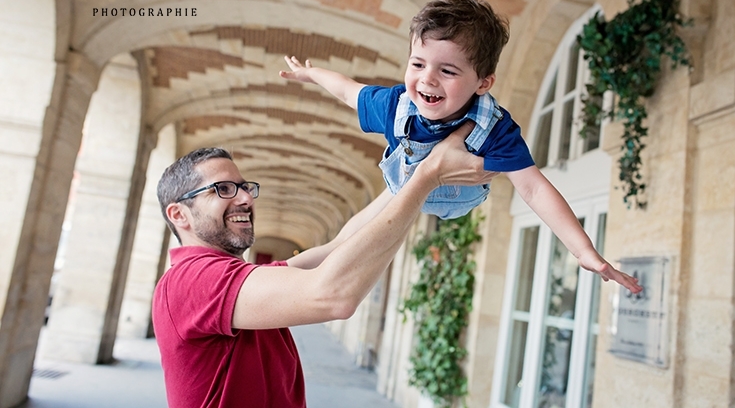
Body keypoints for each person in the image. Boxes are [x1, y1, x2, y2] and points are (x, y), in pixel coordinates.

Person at [280, 0, 642, 295]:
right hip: (402, 190)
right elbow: (348, 89)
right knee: (339, 245)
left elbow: (533, 189)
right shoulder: (396, 106)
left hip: (460, 199)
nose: (427, 79)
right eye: (418, 63)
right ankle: (274, 273)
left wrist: (584, 251)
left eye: (447, 71)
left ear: (483, 83)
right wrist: (310, 74)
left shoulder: (496, 127)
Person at [152, 124, 497, 407]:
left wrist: (409, 176)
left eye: (244, 187)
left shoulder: (233, 277)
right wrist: (426, 179)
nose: (244, 197)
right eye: (222, 189)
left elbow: (337, 248)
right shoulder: (192, 279)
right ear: (179, 214)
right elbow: (334, 296)